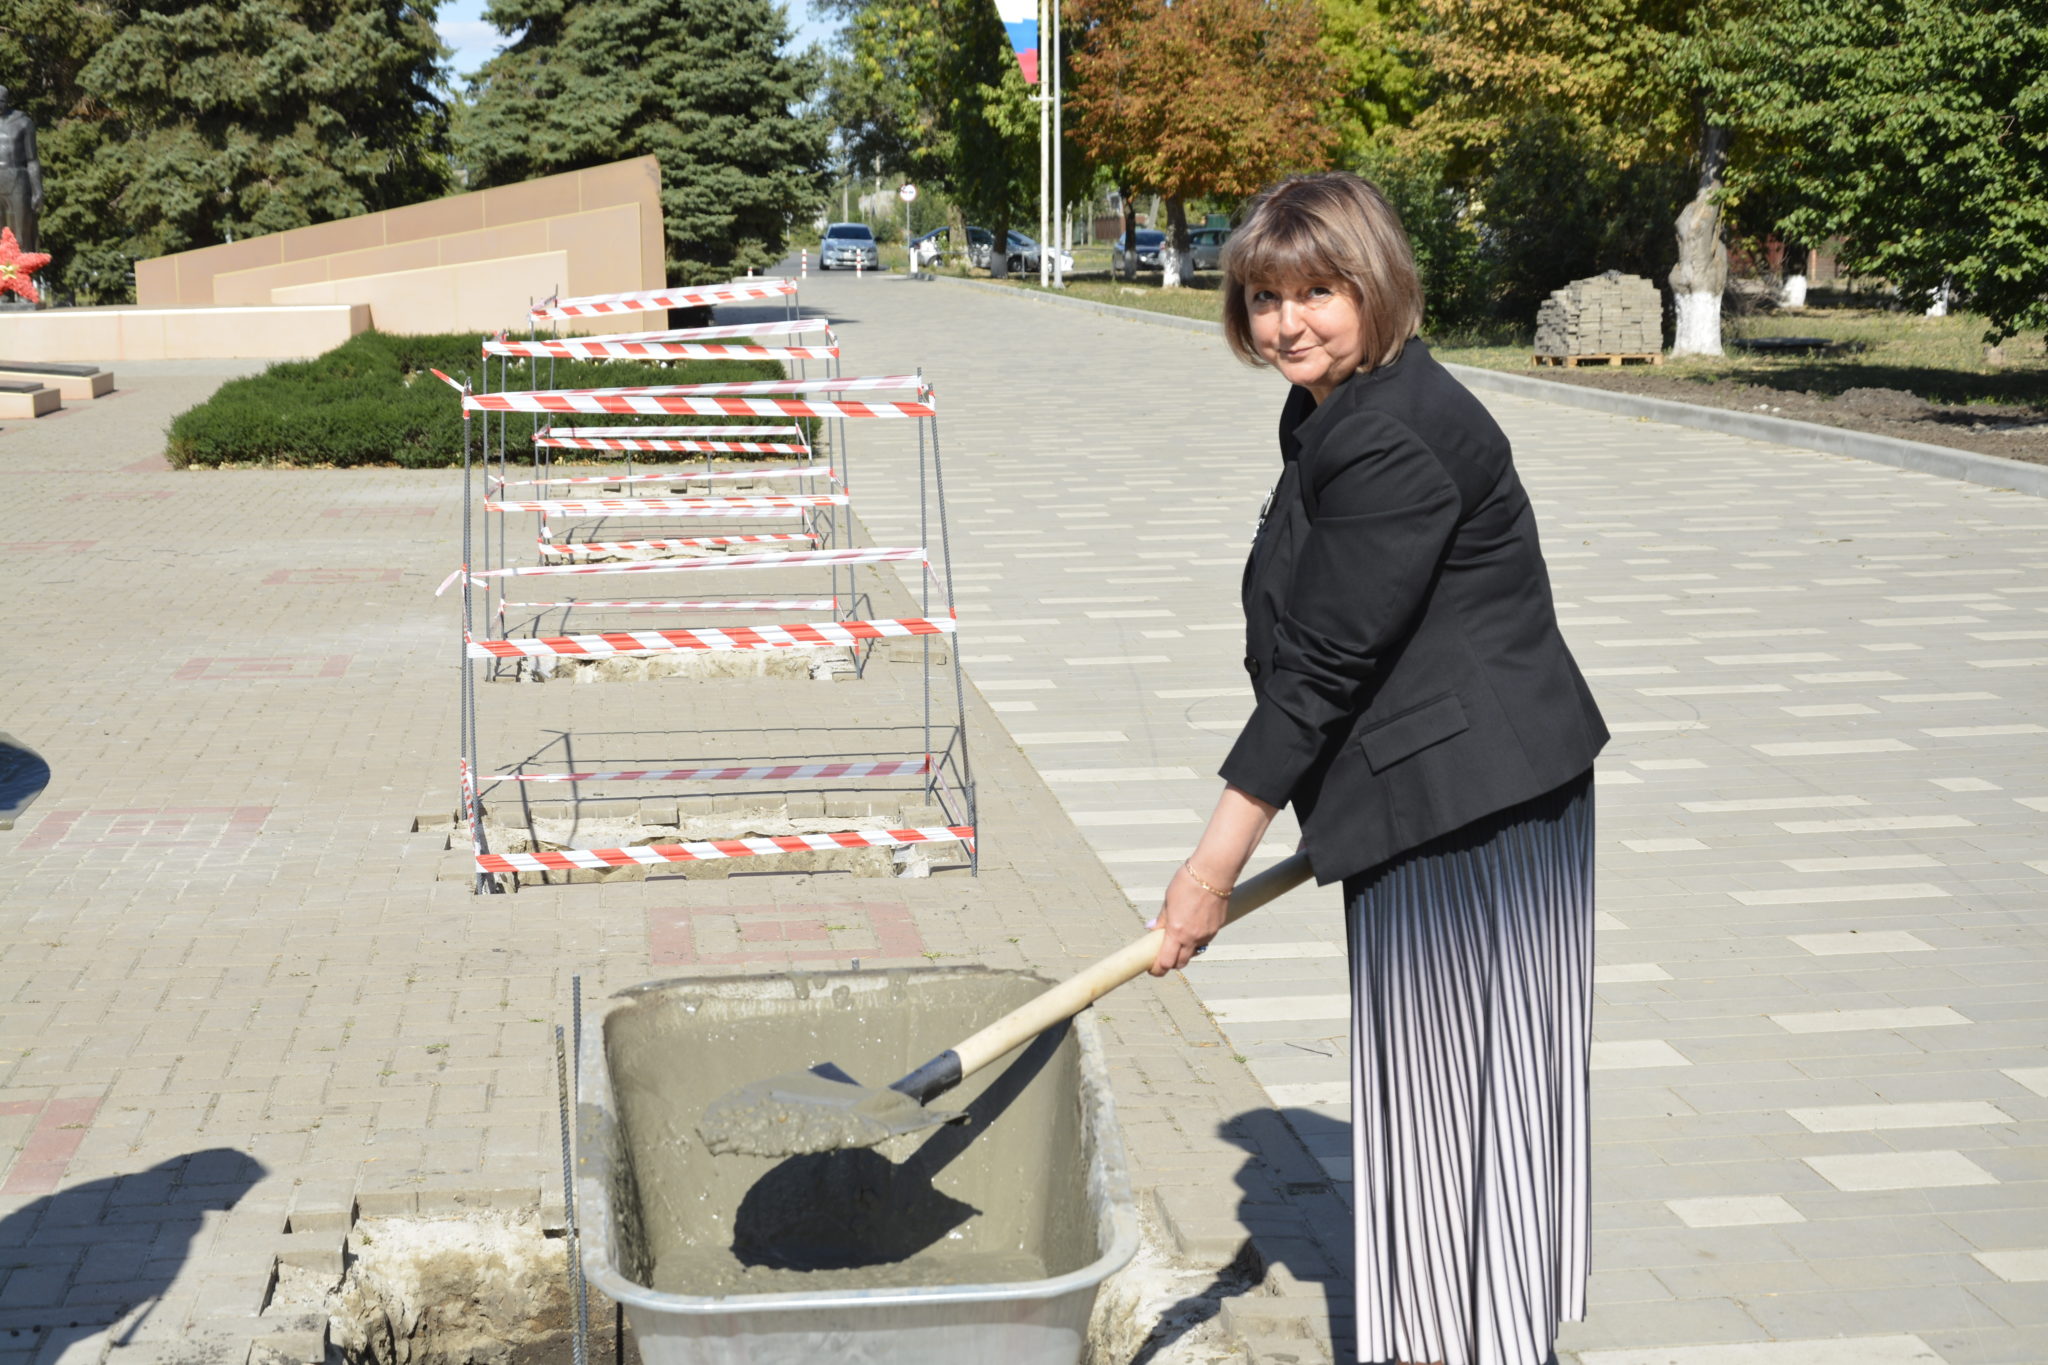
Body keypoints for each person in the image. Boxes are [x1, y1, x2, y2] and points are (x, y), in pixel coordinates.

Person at [1149, 172, 1609, 1365]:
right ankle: (1472, 1335)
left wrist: (1208, 870)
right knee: (1456, 1096)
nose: (1286, 322)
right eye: (1262, 297)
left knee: (1462, 1103)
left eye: (1317, 291)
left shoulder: (1390, 432)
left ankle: (1477, 1343)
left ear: (1376, 284)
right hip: (1461, 788)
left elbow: (1319, 670)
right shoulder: (1343, 404)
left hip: (1470, 812)